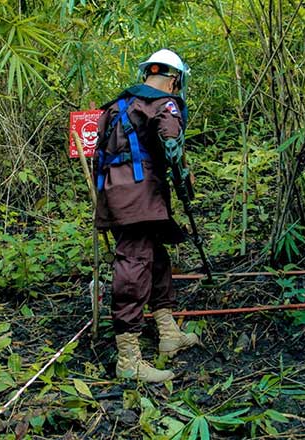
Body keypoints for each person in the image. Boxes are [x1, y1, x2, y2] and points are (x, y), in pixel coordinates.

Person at [94, 49, 199, 383]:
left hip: (116, 194)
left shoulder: (116, 106)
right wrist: (183, 178)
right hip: (140, 196)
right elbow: (171, 143)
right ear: (175, 79)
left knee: (155, 258)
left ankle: (168, 332)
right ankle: (128, 357)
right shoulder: (163, 103)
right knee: (135, 262)